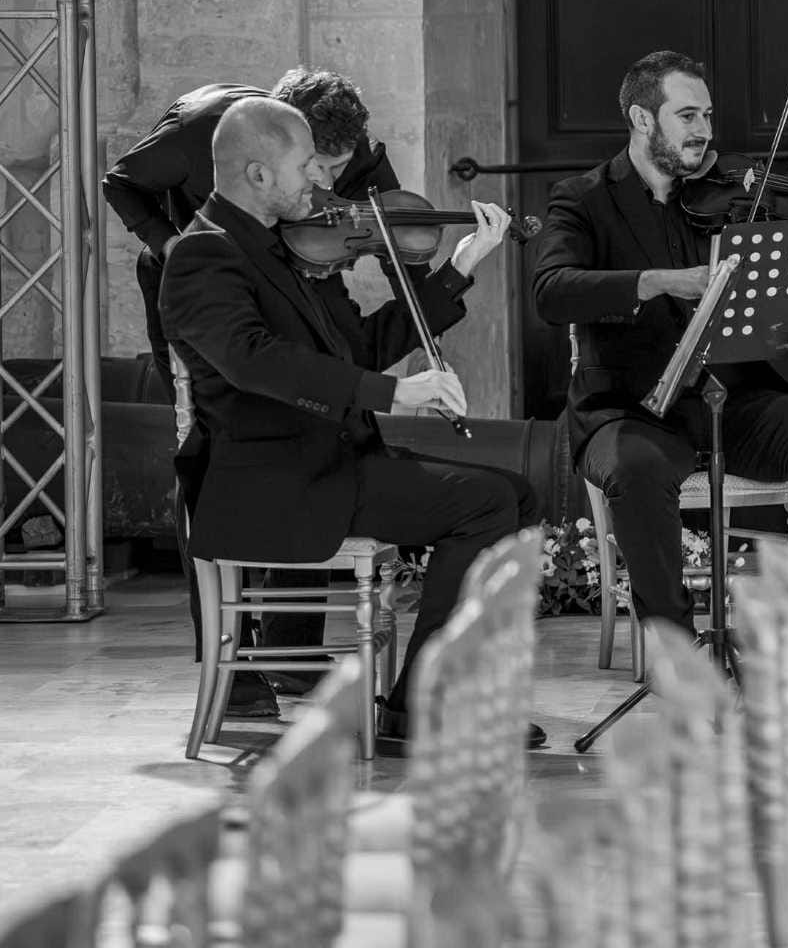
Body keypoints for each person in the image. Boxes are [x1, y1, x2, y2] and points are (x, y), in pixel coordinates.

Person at [157, 97, 543, 748]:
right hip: (276, 482)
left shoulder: (282, 248)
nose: (319, 180)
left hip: (329, 463)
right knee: (488, 505)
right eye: (305, 165)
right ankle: (422, 707)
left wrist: (460, 266)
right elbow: (257, 363)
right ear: (256, 174)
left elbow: (356, 348)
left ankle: (433, 697)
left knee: (512, 496)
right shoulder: (202, 257)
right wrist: (394, 394)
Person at [531, 50, 788, 682]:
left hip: (729, 398)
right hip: (630, 409)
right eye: (686, 115)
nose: (703, 130)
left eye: (706, 114)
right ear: (642, 120)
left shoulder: (732, 197)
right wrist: (657, 280)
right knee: (635, 469)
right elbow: (552, 288)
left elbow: (785, 275)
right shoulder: (584, 199)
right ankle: (677, 651)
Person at [102, 70, 401, 397]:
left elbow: (396, 232)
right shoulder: (194, 131)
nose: (325, 183)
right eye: (312, 165)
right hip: (203, 277)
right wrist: (171, 244)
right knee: (205, 408)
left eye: (337, 168)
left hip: (287, 275)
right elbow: (121, 185)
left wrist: (426, 299)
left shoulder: (352, 143)